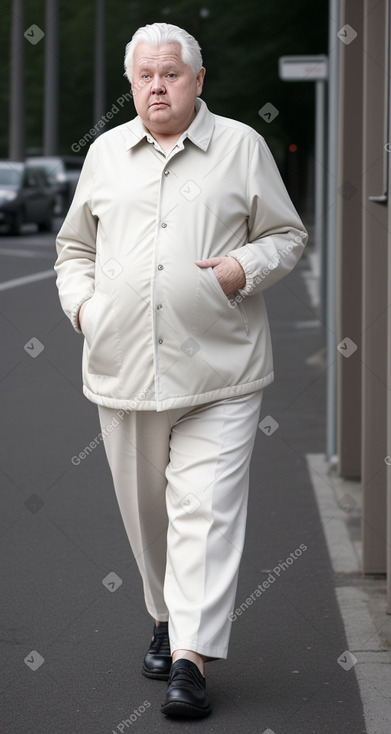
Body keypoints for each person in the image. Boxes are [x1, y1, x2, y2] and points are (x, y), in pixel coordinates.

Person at [55, 21, 307, 719]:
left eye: (171, 73)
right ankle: (165, 618)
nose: (158, 86)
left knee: (207, 512)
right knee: (149, 519)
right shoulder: (106, 154)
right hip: (123, 370)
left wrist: (241, 268)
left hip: (220, 372)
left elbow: (285, 234)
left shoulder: (240, 148)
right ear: (132, 86)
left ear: (198, 81)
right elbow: (73, 247)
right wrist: (84, 309)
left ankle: (191, 659)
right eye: (145, 76)